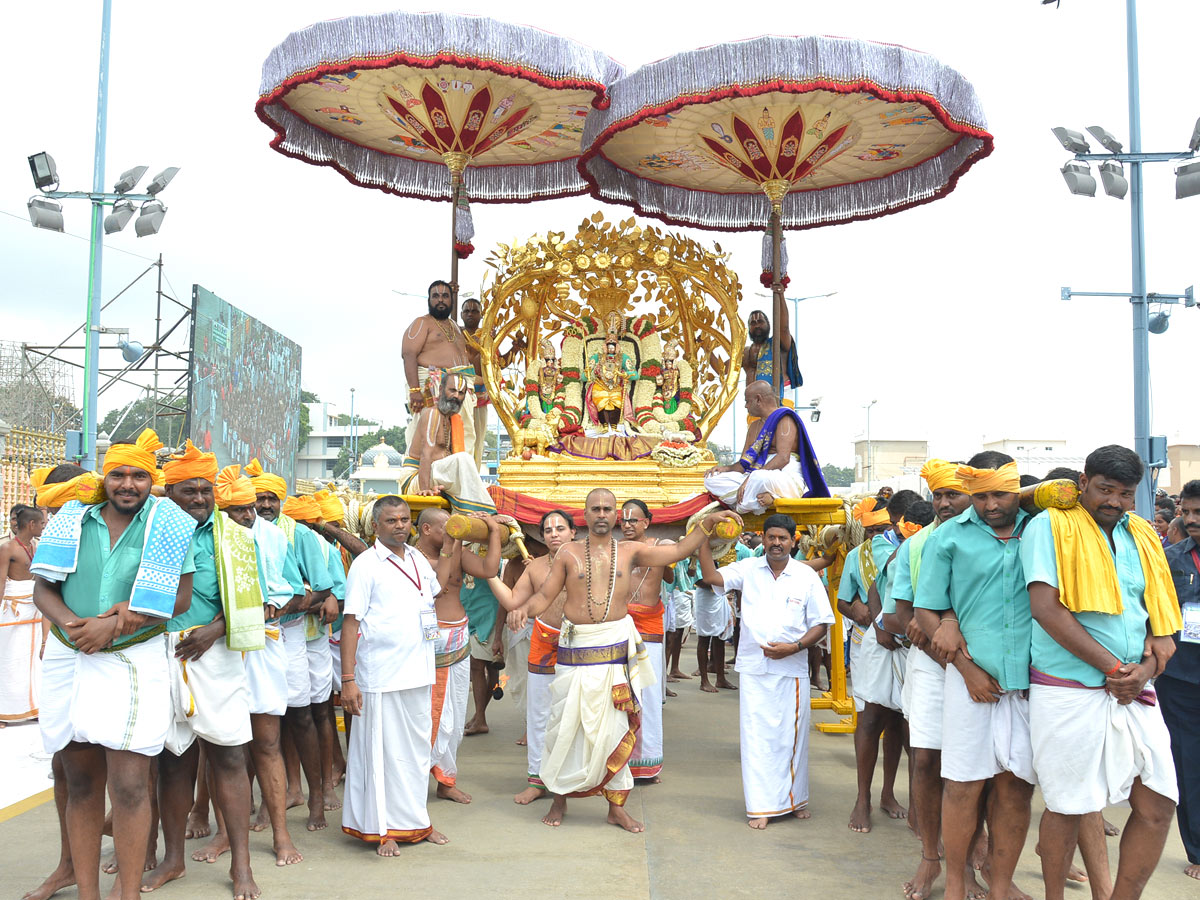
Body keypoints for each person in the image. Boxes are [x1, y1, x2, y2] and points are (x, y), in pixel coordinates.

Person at [506, 488, 740, 832]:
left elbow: (677, 550)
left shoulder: (631, 551)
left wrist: (706, 525)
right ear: (584, 516)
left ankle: (617, 808)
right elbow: (545, 594)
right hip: (574, 653)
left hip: (613, 651)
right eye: (595, 509)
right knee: (565, 727)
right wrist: (523, 609)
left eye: (607, 509)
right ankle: (559, 799)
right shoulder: (568, 553)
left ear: (616, 515)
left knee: (616, 731)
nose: (601, 514)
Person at [32, 429, 196, 900]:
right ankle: (88, 893)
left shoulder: (170, 524)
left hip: (133, 654)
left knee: (128, 786)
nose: (128, 484)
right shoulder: (71, 519)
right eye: (118, 474)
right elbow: (44, 588)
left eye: (139, 475)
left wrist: (116, 623)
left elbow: (181, 597)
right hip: (71, 653)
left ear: (152, 480)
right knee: (80, 781)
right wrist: (76, 626)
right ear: (104, 479)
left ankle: (127, 894)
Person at [1024, 445, 1181, 900]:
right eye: (1104, 489)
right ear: (1083, 482)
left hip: (1136, 689)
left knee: (1158, 804)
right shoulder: (1050, 525)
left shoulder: (1144, 536)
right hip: (1068, 689)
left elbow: (1163, 629)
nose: (1113, 501)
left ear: (1137, 495)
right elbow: (1045, 609)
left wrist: (1144, 671)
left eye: (1125, 493)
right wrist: (1115, 669)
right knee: (1068, 805)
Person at [914, 454, 1035, 900]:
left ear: (1016, 489)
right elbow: (926, 609)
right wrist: (966, 670)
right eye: (980, 495)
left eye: (1000, 494)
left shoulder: (1039, 529)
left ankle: (1000, 884)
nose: (990, 505)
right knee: (963, 784)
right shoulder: (948, 537)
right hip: (970, 681)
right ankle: (957, 883)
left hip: (1029, 681)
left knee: (1015, 788)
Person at [145, 442, 263, 899]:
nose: (198, 498)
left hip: (216, 654)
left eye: (205, 490)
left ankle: (242, 867)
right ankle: (173, 860)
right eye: (187, 491)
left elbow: (258, 605)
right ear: (168, 492)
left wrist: (214, 630)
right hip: (158, 651)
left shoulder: (237, 537)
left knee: (230, 757)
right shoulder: (154, 530)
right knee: (172, 763)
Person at [698, 513, 833, 827]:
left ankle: (795, 799)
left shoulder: (805, 575)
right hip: (755, 668)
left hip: (792, 668)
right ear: (764, 538)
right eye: (771, 537)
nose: (776, 543)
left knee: (792, 739)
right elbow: (711, 576)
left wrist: (795, 648)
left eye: (782, 538)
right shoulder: (748, 569)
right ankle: (761, 807)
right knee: (757, 739)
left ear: (792, 540)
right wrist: (703, 538)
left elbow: (822, 624)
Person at [879, 459, 975, 900]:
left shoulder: (995, 540)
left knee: (978, 772)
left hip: (982, 667)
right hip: (930, 665)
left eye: (953, 494)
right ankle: (930, 858)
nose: (943, 503)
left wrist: (941, 627)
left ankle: (975, 859)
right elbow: (899, 615)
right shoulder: (916, 547)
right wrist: (926, 632)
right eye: (937, 496)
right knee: (925, 761)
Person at [340, 496, 450, 855]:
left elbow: (436, 589)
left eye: (405, 519)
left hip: (418, 670)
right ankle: (382, 829)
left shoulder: (417, 557)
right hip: (380, 675)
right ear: (376, 526)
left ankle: (418, 822)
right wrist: (348, 679)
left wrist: (456, 543)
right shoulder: (366, 565)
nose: (400, 525)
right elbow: (351, 622)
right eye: (391, 520)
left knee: (417, 752)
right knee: (380, 753)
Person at [217, 466, 303, 868]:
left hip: (264, 645)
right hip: (216, 649)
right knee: (220, 748)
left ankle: (281, 835)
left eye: (251, 508)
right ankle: (223, 835)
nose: (250, 516)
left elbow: (290, 589)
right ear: (222, 511)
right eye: (238, 510)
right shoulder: (209, 537)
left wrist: (271, 604)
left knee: (267, 743)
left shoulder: (272, 537)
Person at [245, 460, 334, 833]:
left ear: (281, 500)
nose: (265, 505)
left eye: (271, 499)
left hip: (291, 633)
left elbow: (324, 588)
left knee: (299, 715)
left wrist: (281, 608)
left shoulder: (300, 535)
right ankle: (271, 800)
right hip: (245, 638)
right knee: (261, 723)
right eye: (258, 499)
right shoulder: (235, 530)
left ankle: (316, 798)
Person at [21, 463, 91, 900]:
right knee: (64, 763)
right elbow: (46, 591)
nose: (60, 512)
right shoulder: (57, 534)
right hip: (68, 649)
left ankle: (135, 852)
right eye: (53, 506)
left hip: (117, 647)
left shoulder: (114, 524)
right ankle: (68, 864)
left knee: (131, 767)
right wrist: (61, 633)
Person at [411, 508, 502, 802]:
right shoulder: (412, 559)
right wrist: (453, 545)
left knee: (453, 716)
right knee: (426, 716)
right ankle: (413, 779)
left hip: (458, 636)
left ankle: (446, 781)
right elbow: (437, 587)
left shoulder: (458, 553)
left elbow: (489, 569)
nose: (452, 531)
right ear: (426, 530)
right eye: (444, 528)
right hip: (426, 641)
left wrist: (494, 531)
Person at [838, 496, 906, 834]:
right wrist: (857, 612)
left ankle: (888, 792)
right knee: (870, 718)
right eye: (875, 529)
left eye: (885, 528)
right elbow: (842, 600)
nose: (880, 534)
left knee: (899, 723)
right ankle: (862, 798)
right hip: (870, 644)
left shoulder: (924, 546)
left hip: (908, 647)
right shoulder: (858, 556)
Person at [504, 509, 576, 804]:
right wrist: (487, 575)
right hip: (543, 643)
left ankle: (574, 778)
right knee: (539, 716)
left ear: (573, 532)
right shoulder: (534, 568)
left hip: (581, 645)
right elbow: (513, 601)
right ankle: (537, 779)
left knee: (577, 714)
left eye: (560, 528)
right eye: (548, 530)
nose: (554, 534)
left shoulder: (588, 562)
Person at [704, 381, 827, 514]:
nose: (745, 406)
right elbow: (744, 464)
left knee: (759, 478)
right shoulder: (754, 427)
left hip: (784, 475)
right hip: (755, 475)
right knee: (711, 479)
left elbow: (783, 459)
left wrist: (750, 479)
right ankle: (761, 499)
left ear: (758, 399)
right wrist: (726, 469)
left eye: (747, 401)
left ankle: (743, 506)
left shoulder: (785, 419)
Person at [620, 499, 674, 783]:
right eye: (624, 520)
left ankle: (648, 765)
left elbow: (670, 574)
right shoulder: (615, 550)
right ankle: (619, 761)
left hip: (649, 629)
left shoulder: (660, 546)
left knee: (649, 699)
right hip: (618, 628)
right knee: (619, 697)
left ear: (646, 522)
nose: (627, 525)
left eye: (633, 520)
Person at [1161, 479, 1200, 880]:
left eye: (1198, 513)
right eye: (1186, 512)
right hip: (1183, 680)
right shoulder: (1170, 559)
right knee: (1189, 764)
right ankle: (1198, 849)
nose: (1190, 520)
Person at [399, 373, 498, 515]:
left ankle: (471, 514)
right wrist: (425, 489)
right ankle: (486, 513)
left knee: (487, 487)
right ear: (441, 390)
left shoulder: (454, 420)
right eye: (452, 390)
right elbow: (426, 454)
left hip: (437, 477)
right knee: (463, 459)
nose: (456, 396)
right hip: (415, 478)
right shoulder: (432, 414)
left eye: (461, 393)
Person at [402, 280, 478, 462]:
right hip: (432, 386)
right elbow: (408, 354)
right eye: (435, 296)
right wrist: (414, 391)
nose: (440, 300)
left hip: (461, 387)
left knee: (462, 434)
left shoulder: (455, 327)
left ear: (452, 300)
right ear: (429, 299)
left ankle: (457, 479)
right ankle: (423, 481)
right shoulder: (422, 323)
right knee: (432, 433)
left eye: (445, 296)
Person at [460, 296, 525, 468]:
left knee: (477, 441)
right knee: (457, 440)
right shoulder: (456, 336)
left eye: (474, 311)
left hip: (480, 399)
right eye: (466, 311)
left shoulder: (487, 338)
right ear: (460, 314)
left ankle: (472, 476)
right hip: (457, 397)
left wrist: (515, 349)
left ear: (481, 315)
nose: (470, 314)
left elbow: (498, 365)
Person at [1, 503, 45, 723]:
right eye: (42, 523)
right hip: (13, 610)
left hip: (33, 608)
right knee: (8, 659)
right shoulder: (7, 548)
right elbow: (0, 582)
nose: (44, 527)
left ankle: (31, 707)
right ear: (31, 524)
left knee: (30, 660)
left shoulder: (37, 546)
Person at [741, 308, 801, 397]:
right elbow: (722, 369)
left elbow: (784, 328)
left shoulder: (778, 344)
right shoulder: (745, 353)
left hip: (780, 400)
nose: (757, 325)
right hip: (754, 403)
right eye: (753, 323)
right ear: (749, 328)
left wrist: (780, 296)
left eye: (760, 322)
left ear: (768, 324)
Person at [665, 556, 696, 683]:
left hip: (682, 590)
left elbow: (691, 573)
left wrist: (694, 559)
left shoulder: (688, 550)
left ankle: (674, 668)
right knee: (671, 635)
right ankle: (664, 673)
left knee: (678, 632)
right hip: (670, 592)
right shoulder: (673, 547)